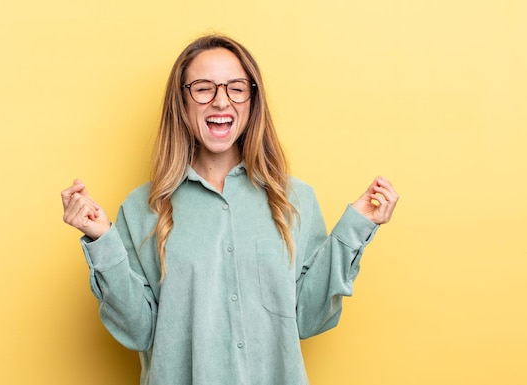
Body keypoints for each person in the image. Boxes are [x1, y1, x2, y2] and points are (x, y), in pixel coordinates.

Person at [61, 34, 398, 385]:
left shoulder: (295, 200)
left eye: (236, 87)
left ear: (252, 100)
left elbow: (309, 318)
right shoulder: (141, 208)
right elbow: (139, 331)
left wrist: (354, 230)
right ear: (182, 101)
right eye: (203, 88)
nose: (221, 101)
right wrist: (102, 240)